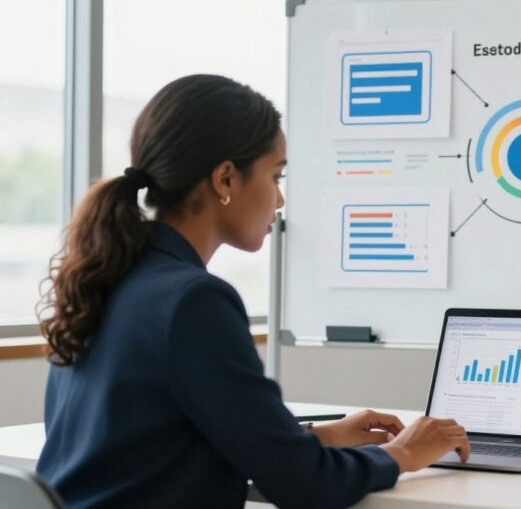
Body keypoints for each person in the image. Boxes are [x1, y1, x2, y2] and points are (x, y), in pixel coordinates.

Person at [36, 75, 470, 509]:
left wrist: (314, 438)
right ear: (225, 179)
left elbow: (158, 440)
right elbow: (306, 486)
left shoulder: (108, 276)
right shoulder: (195, 301)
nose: (279, 200)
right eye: (275, 176)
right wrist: (401, 454)